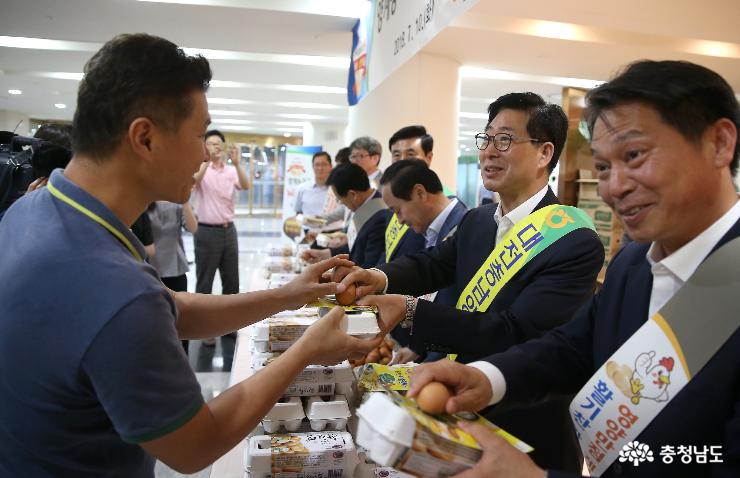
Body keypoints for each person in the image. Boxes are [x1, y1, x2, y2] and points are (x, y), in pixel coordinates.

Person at [0, 33, 379, 477]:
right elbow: (195, 445)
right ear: (145, 138)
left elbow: (170, 307)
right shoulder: (111, 286)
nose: (204, 152)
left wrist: (287, 296)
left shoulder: (36, 209)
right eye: (199, 135)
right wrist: (306, 348)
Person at [407, 60, 740, 478]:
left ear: (720, 143)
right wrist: (486, 378)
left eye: (634, 155)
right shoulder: (633, 263)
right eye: (602, 167)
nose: (614, 186)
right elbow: (574, 347)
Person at [339, 93, 605, 470]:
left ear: (545, 154)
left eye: (505, 140)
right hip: (455, 413)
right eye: (487, 139)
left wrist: (410, 311)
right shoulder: (479, 220)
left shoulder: (574, 241)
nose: (489, 152)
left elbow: (516, 332)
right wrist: (378, 277)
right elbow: (433, 265)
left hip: (523, 425)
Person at [379, 159, 468, 362]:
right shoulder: (427, 230)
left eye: (397, 210)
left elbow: (454, 304)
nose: (399, 220)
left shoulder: (465, 227)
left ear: (420, 193)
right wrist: (419, 347)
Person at [192, 129, 249, 371]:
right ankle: (205, 330)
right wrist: (206, 160)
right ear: (205, 148)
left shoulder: (229, 170)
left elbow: (245, 186)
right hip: (205, 231)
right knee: (205, 283)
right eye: (210, 144)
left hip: (229, 231)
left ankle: (229, 326)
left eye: (218, 144)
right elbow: (194, 181)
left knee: (231, 282)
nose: (215, 147)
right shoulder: (200, 169)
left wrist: (237, 163)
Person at [301, 163, 392, 268]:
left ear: (353, 195)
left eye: (339, 199)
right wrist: (327, 254)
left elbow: (370, 266)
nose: (341, 203)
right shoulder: (364, 206)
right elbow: (355, 248)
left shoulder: (379, 217)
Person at [148, 200, 198, 354]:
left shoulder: (177, 202)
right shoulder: (145, 201)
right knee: (155, 319)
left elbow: (192, 227)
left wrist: (184, 201)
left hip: (175, 266)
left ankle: (183, 358)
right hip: (151, 267)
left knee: (181, 318)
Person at [294, 151, 335, 217]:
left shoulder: (336, 188)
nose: (320, 168)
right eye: (317, 165)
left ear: (331, 166)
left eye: (324, 164)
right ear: (313, 166)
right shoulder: (302, 188)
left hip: (334, 227)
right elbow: (298, 212)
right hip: (308, 227)